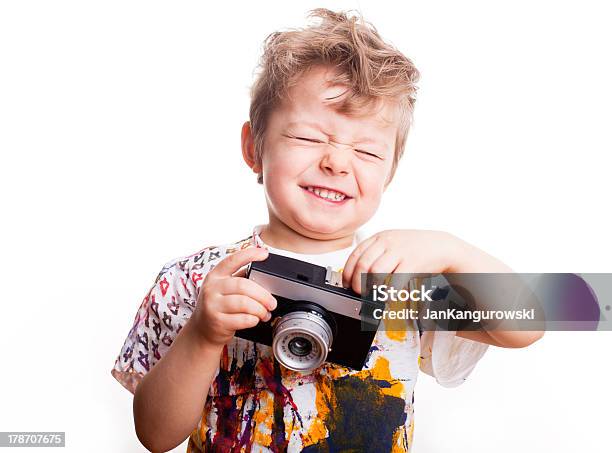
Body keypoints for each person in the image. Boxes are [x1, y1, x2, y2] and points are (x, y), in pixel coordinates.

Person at [111, 9, 543, 452]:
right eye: (309, 139)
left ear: (389, 173)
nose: (336, 162)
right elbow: (156, 436)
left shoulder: (397, 284)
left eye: (367, 152)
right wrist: (203, 334)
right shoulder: (198, 279)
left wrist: (454, 252)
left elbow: (531, 323)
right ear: (253, 148)